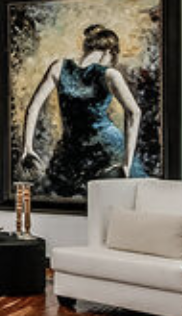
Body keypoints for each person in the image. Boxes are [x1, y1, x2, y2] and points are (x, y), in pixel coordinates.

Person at [17, 23, 144, 197]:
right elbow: (134, 113)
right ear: (109, 52)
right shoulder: (110, 74)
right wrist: (127, 162)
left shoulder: (58, 66)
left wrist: (28, 147)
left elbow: (33, 108)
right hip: (105, 150)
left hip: (75, 151)